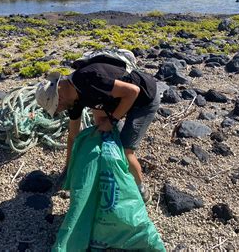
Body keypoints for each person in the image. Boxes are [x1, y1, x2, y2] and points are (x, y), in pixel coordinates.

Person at [36, 61, 160, 202]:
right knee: (103, 132)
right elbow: (73, 136)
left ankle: (141, 190)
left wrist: (112, 120)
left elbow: (133, 92)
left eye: (57, 107)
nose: (59, 110)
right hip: (117, 99)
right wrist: (68, 168)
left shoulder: (90, 79)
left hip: (144, 99)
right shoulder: (73, 100)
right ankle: (112, 175)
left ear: (60, 97)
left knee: (125, 149)